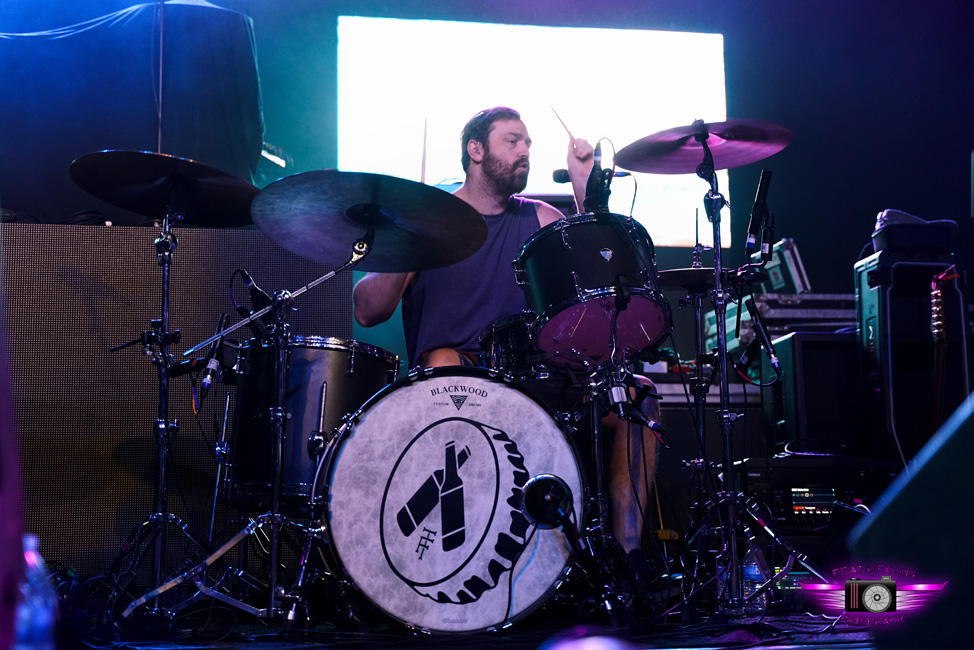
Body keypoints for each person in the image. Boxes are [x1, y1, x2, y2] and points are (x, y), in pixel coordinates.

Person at [352, 106, 659, 562]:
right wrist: (411, 243)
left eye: (529, 143)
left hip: (535, 376)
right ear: (475, 151)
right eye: (512, 141)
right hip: (459, 375)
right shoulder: (431, 220)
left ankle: (626, 559)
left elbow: (595, 273)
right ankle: (458, 553)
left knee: (640, 395)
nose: (525, 151)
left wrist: (582, 187)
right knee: (442, 364)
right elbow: (368, 310)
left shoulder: (536, 217)